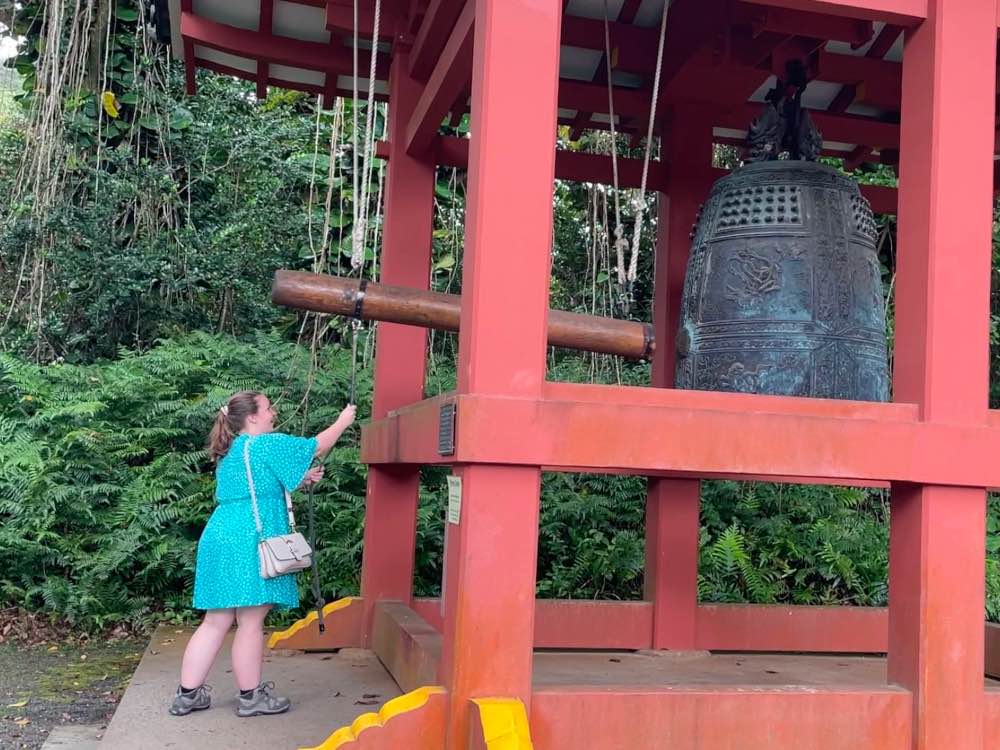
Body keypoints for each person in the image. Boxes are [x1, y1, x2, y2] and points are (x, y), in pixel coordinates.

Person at [168, 390, 356, 717]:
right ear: (252, 416)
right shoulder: (265, 443)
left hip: (220, 535)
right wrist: (343, 421)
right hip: (249, 539)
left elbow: (256, 485)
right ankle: (251, 697)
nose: (274, 412)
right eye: (269, 407)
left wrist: (302, 479)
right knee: (251, 621)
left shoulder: (232, 450)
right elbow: (317, 445)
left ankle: (187, 695)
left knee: (216, 621)